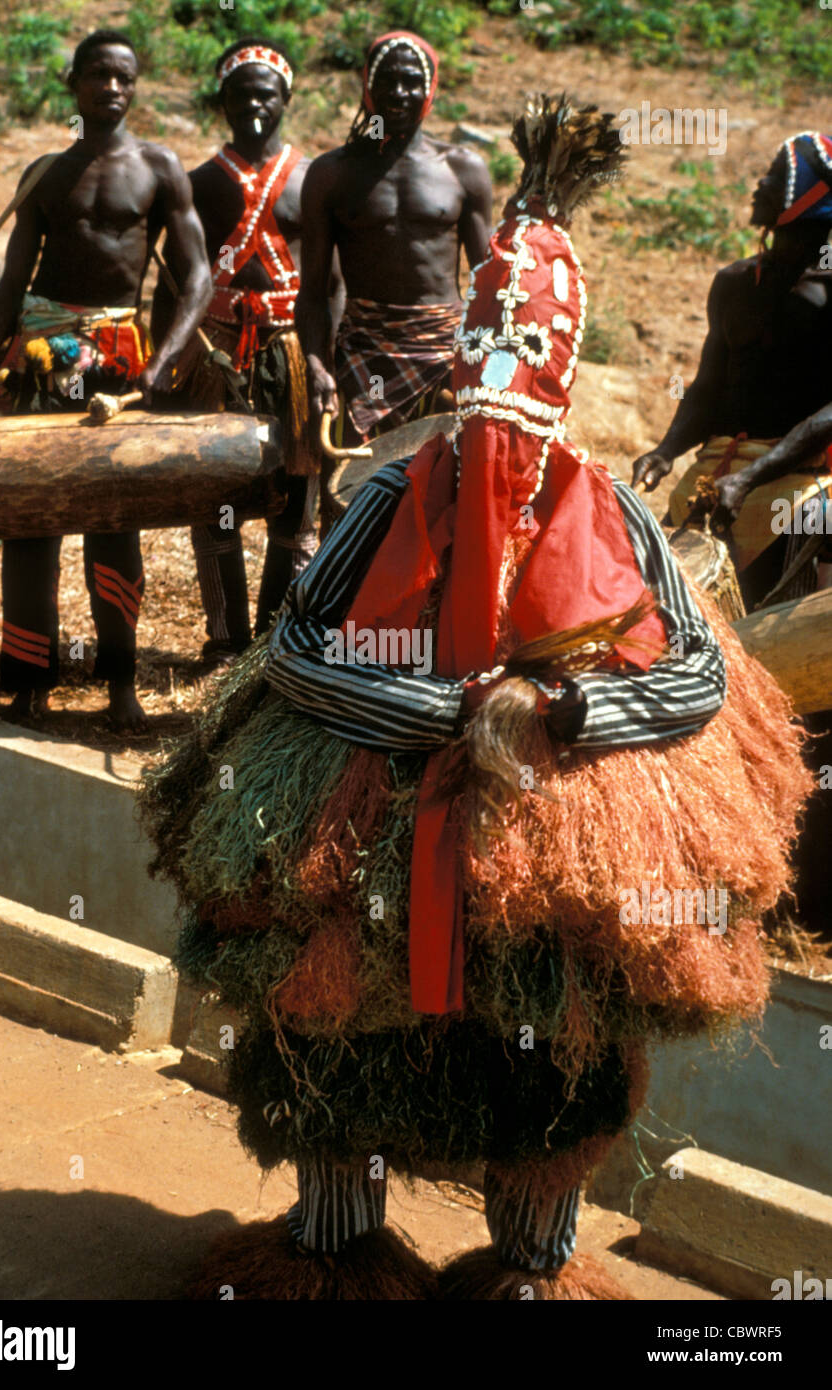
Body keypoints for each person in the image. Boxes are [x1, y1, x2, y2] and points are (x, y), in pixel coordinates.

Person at [140, 95, 809, 1299]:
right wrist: (439, 715)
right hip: (374, 842)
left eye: (520, 424)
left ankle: (530, 1269)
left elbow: (694, 676)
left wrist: (561, 718)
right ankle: (335, 1251)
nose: (495, 455)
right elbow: (295, 647)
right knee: (344, 1050)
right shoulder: (395, 494)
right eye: (477, 416)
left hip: (544, 859)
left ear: (555, 399)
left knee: (552, 1067)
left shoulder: (614, 519)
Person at [0, 30, 211, 729]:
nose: (112, 88)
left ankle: (119, 683)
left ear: (136, 85)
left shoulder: (160, 168)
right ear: (75, 84)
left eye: (125, 77)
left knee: (113, 522)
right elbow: (13, 279)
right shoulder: (44, 174)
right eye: (99, 75)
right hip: (39, 353)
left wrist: (164, 361)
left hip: (118, 362)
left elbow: (199, 278)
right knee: (31, 519)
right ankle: (30, 681)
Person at [153, 37, 329, 665]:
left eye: (268, 93)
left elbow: (328, 284)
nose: (256, 103)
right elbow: (174, 282)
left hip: (291, 350)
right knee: (216, 496)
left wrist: (325, 360)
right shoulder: (200, 183)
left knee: (297, 490)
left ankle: (273, 642)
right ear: (223, 102)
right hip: (217, 351)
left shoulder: (312, 181)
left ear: (286, 100)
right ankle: (226, 640)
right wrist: (165, 366)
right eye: (243, 93)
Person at [632, 132, 832, 610]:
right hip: (715, 469)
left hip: (797, 480)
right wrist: (666, 450)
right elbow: (706, 387)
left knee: (786, 586)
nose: (759, 184)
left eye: (779, 177)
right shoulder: (734, 282)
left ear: (811, 198)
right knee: (659, 599)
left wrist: (752, 477)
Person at [296, 29, 492, 449]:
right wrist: (316, 363)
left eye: (411, 82)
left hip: (445, 350)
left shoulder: (463, 169)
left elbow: (488, 281)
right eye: (386, 80)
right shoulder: (332, 174)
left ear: (431, 89)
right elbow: (313, 290)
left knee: (447, 483)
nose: (398, 93)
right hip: (366, 351)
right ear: (368, 86)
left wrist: (494, 361)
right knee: (356, 484)